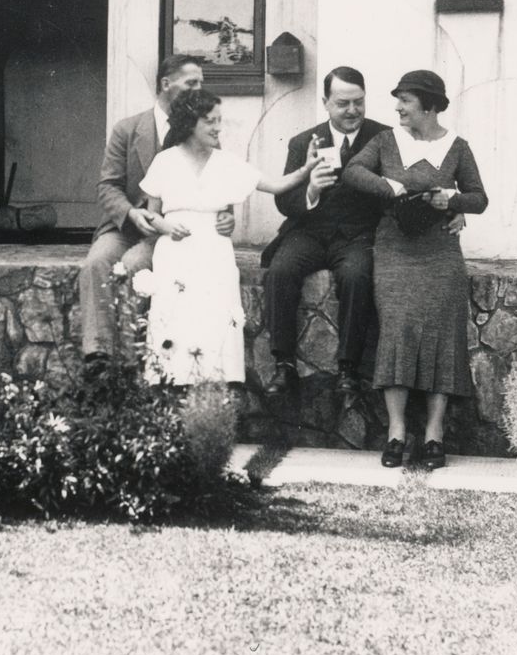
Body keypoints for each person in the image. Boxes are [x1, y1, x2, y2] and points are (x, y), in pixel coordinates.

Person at [341, 70, 489, 470]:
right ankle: (396, 433)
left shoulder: (458, 147)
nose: (398, 108)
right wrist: (391, 188)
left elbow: (479, 198)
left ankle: (434, 435)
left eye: (405, 101)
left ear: (427, 105)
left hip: (440, 256)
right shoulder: (386, 141)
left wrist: (452, 201)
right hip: (394, 253)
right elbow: (354, 172)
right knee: (396, 331)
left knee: (442, 335)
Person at [139, 88, 319, 387]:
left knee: (214, 326)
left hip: (214, 253)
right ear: (190, 123)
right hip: (176, 254)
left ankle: (213, 398)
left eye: (219, 120)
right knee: (175, 324)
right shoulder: (166, 161)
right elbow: (151, 214)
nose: (217, 128)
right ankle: (173, 393)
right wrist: (166, 227)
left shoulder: (226, 163)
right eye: (210, 121)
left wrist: (308, 167)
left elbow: (276, 185)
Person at [77, 55, 235, 368]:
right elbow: (107, 186)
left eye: (201, 84)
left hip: (173, 233)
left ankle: (137, 355)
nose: (198, 90)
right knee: (96, 263)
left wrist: (226, 215)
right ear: (166, 84)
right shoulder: (127, 129)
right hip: (126, 225)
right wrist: (131, 214)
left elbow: (217, 184)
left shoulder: (203, 131)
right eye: (191, 83)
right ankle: (98, 353)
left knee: (135, 265)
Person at [260, 66, 392, 402]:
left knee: (357, 275)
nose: (352, 111)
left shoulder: (384, 139)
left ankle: (348, 370)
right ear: (325, 102)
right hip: (310, 232)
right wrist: (311, 191)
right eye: (343, 103)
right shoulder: (304, 141)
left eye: (358, 102)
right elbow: (283, 200)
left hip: (358, 235)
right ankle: (284, 364)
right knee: (280, 270)